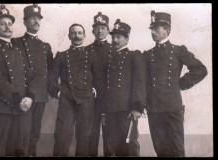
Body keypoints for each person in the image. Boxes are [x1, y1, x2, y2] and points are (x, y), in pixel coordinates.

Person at [143, 10, 208, 157]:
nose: (152, 31)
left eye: (156, 28)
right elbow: (143, 81)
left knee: (177, 149)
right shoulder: (146, 55)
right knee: (160, 150)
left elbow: (200, 69)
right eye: (151, 29)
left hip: (173, 108)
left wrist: (180, 84)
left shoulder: (179, 51)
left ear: (167, 30)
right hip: (154, 109)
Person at [0, 4, 35, 156]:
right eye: (2, 24)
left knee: (17, 151)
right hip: (0, 109)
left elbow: (29, 77)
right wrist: (18, 98)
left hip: (21, 110)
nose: (7, 27)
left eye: (10, 24)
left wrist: (30, 97)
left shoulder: (19, 50)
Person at [49, 23, 104, 156]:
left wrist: (95, 90)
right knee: (62, 135)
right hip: (67, 98)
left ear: (84, 36)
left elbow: (99, 77)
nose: (77, 36)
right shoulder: (61, 56)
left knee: (84, 135)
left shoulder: (92, 55)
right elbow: (51, 78)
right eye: (73, 33)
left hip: (86, 99)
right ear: (68, 36)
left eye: (80, 33)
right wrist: (58, 92)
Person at [14, 4, 53, 156]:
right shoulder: (16, 43)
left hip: (40, 96)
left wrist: (49, 90)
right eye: (32, 18)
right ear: (25, 22)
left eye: (38, 18)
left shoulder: (45, 46)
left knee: (35, 132)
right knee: (21, 132)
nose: (36, 21)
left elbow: (50, 71)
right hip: (23, 95)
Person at [104, 19, 146, 156]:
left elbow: (139, 82)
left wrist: (136, 107)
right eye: (113, 37)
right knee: (111, 145)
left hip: (127, 111)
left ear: (126, 39)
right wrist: (104, 111)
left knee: (129, 145)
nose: (114, 40)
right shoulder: (108, 58)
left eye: (118, 37)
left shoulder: (134, 56)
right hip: (110, 110)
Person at [87, 12, 112, 156]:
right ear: (92, 31)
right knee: (91, 136)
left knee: (110, 138)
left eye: (103, 27)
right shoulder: (87, 50)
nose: (100, 31)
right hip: (92, 100)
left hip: (109, 100)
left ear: (108, 30)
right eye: (97, 27)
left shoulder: (114, 50)